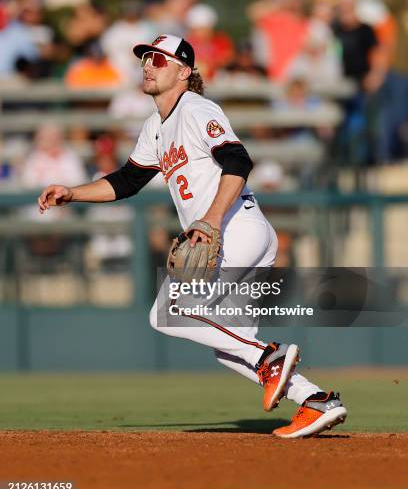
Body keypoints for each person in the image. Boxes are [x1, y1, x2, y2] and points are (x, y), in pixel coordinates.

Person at [38, 33, 347, 438]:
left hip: (235, 229)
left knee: (168, 312)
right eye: (146, 58)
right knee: (230, 343)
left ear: (184, 72)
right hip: (230, 235)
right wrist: (73, 193)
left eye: (159, 60)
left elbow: (238, 159)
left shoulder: (197, 108)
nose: (148, 65)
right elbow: (128, 181)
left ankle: (268, 358)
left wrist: (212, 219)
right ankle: (316, 401)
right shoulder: (155, 126)